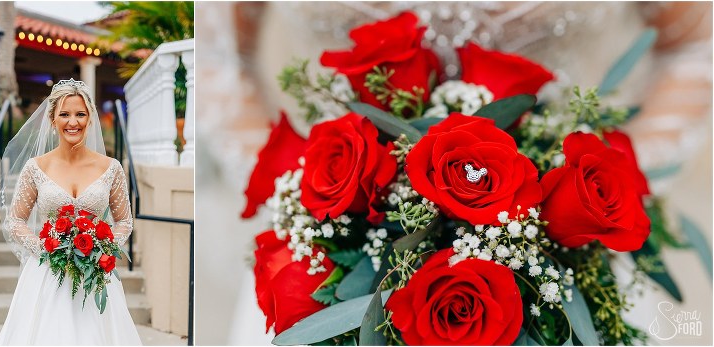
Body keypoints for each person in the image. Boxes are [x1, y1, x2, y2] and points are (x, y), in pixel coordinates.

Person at [194, 2, 711, 345]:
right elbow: (214, 50)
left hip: (568, 243)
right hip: (334, 232)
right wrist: (307, 197)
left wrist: (606, 189)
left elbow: (694, 43)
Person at [0, 79, 141, 345]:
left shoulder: (111, 168)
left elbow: (124, 221)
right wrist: (46, 250)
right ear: (52, 119)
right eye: (64, 114)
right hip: (47, 275)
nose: (72, 122)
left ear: (90, 118)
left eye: (80, 114)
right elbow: (16, 219)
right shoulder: (35, 167)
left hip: (95, 275)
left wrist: (103, 247)